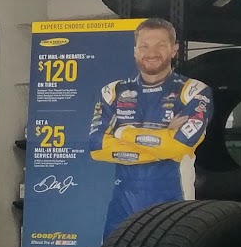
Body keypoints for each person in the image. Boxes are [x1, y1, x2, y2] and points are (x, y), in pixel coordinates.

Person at [88, 18, 211, 235]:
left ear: (174, 49)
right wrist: (163, 137)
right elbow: (97, 147)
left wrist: (122, 132)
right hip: (122, 207)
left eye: (160, 45)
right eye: (144, 46)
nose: (151, 53)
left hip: (175, 203)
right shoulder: (113, 91)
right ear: (135, 51)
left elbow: (179, 147)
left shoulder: (194, 91)